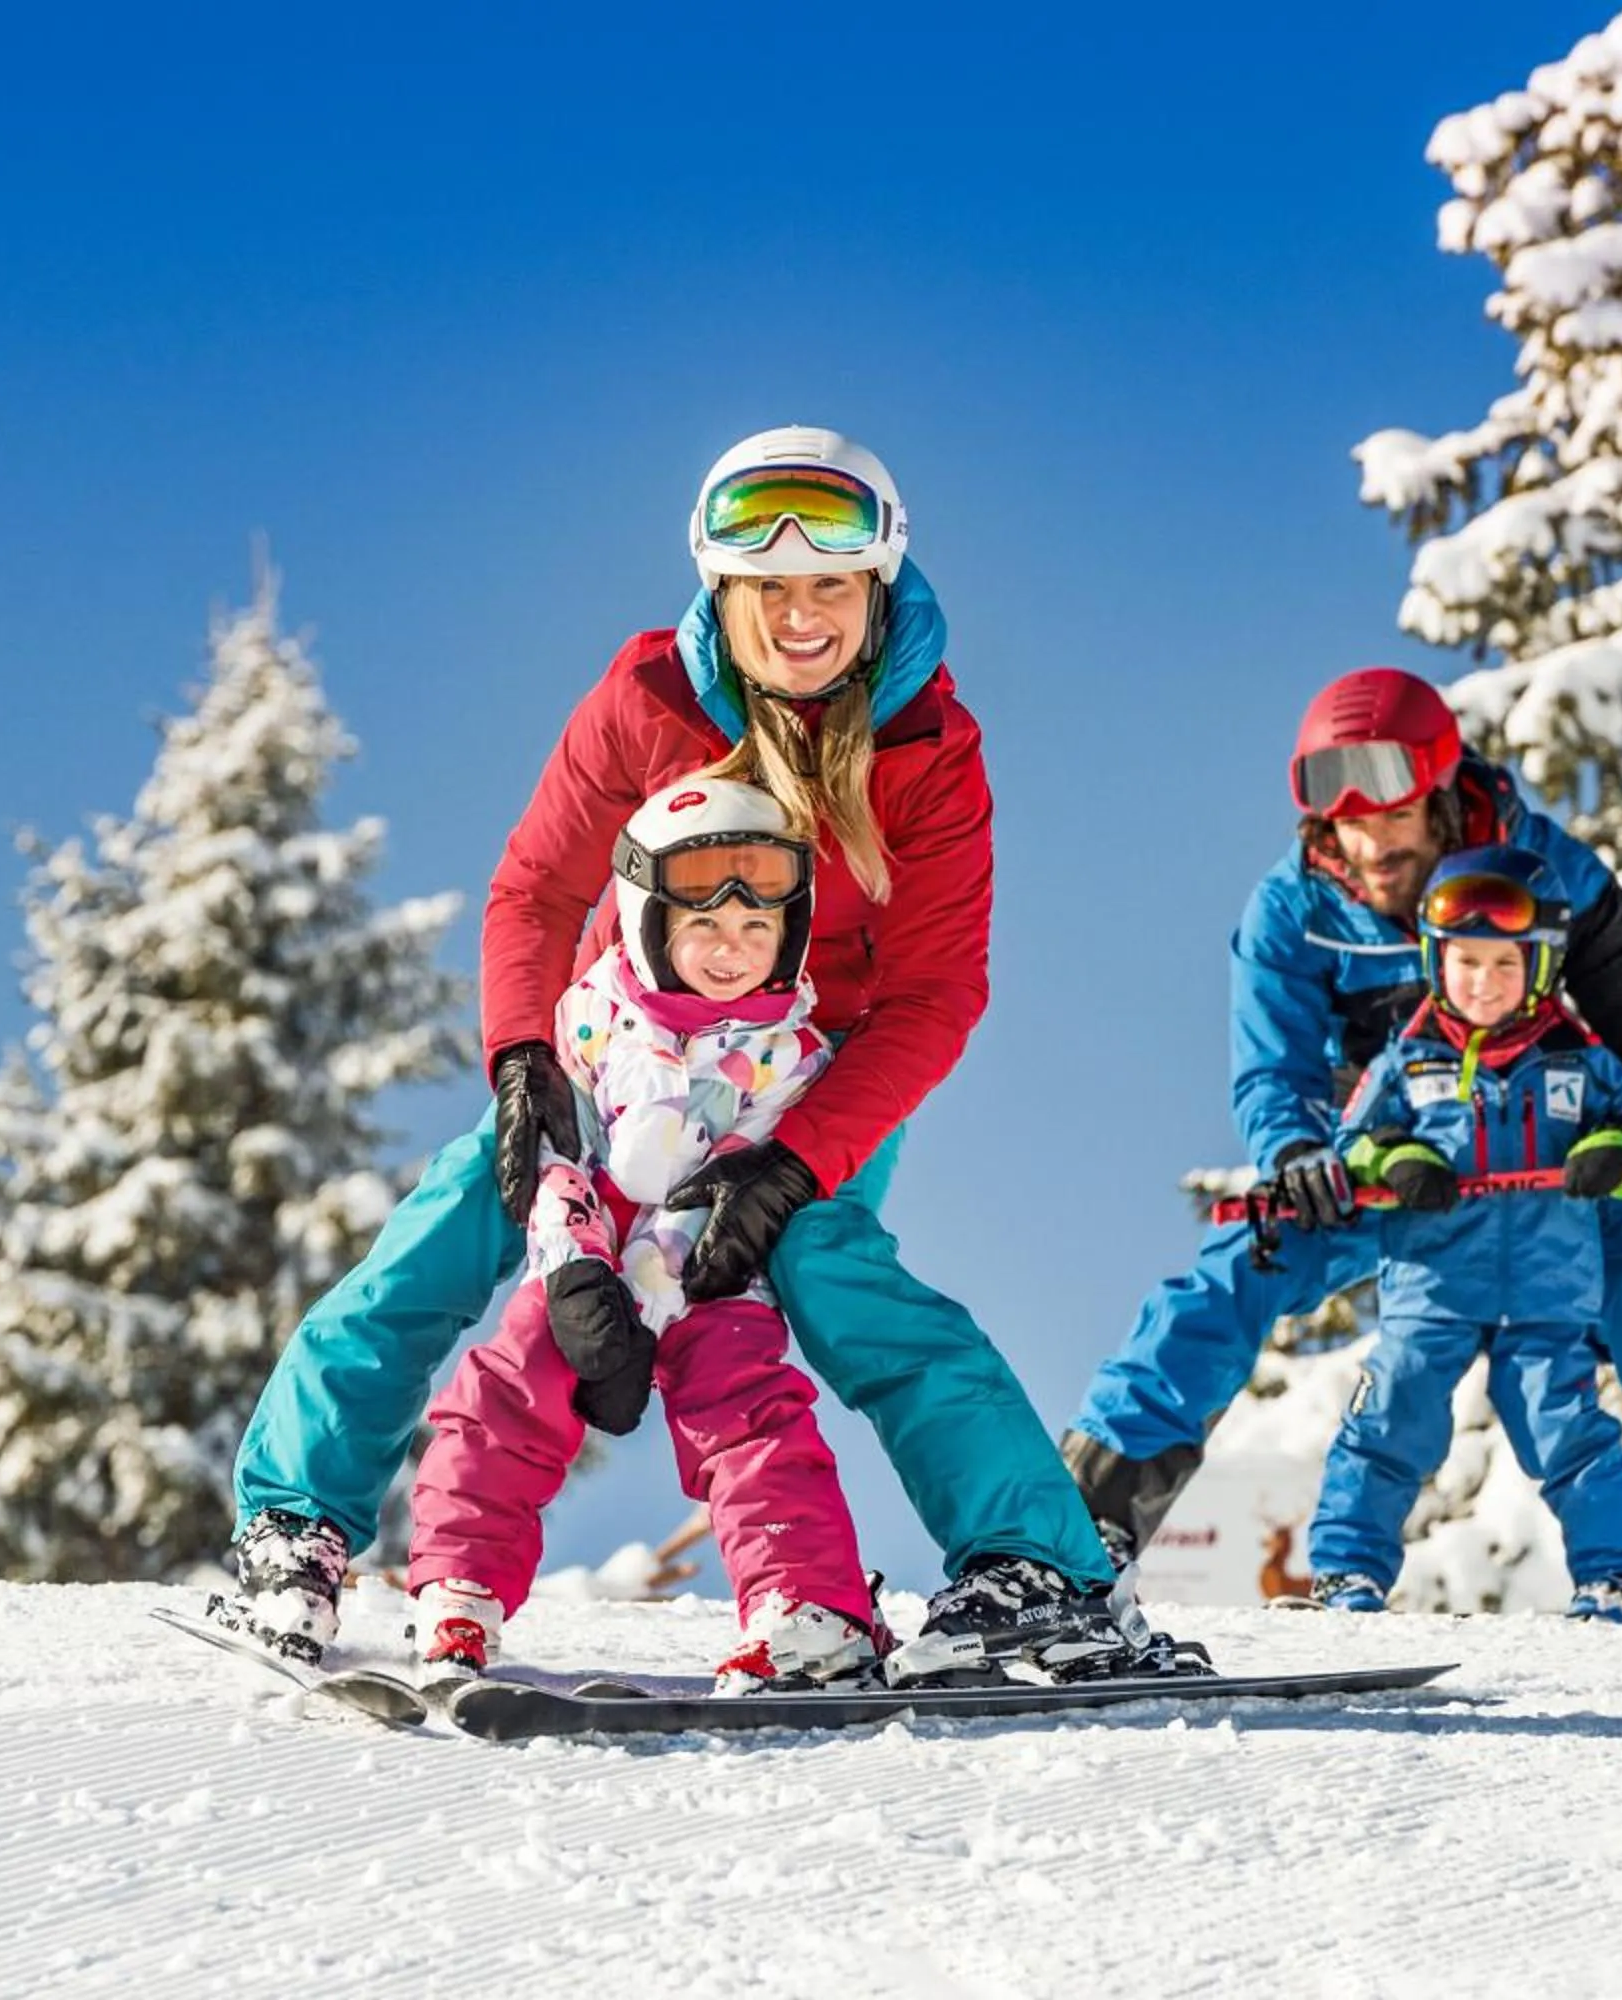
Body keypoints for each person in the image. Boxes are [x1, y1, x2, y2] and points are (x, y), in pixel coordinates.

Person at [217, 426, 1162, 1685]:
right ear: (722, 588)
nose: (801, 613)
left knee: (829, 1268)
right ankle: (299, 1522)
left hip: (805, 1081)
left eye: (830, 583)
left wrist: (793, 1163)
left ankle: (1035, 1568)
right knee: (453, 1221)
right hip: (624, 1056)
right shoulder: (648, 697)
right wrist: (520, 1064)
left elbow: (935, 993)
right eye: (769, 586)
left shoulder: (930, 752)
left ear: (877, 586)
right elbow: (535, 894)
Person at [1061, 666, 1622, 1640]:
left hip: (1547, 1164)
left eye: (1388, 806)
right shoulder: (1294, 907)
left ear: (1437, 787)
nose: (1366, 839)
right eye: (1336, 810)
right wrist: (1300, 1152)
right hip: (1393, 1168)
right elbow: (1273, 1067)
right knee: (1223, 1284)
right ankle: (1073, 1536)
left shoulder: (1540, 864)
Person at [405, 780, 884, 1696]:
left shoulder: (794, 1055)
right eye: (704, 927)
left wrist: (657, 1281)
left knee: (745, 1406)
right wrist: (582, 1270)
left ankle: (807, 1606)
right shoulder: (589, 1018)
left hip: (709, 1263)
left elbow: (741, 1170)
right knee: (513, 1384)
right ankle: (457, 1583)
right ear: (649, 920)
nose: (731, 952)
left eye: (757, 932)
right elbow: (559, 1150)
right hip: (583, 1249)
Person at [1295, 847, 1622, 1626]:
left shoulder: (1578, 1059)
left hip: (1548, 1289)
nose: (1483, 982)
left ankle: (1619, 1580)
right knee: (1391, 1414)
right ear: (1437, 961)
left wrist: (1614, 1150)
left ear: (1539, 968)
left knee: (1565, 1428)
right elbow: (1356, 1140)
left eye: (1505, 964)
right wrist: (1397, 1158)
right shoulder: (1410, 1058)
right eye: (1466, 962)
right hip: (1433, 1285)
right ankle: (1345, 1576)